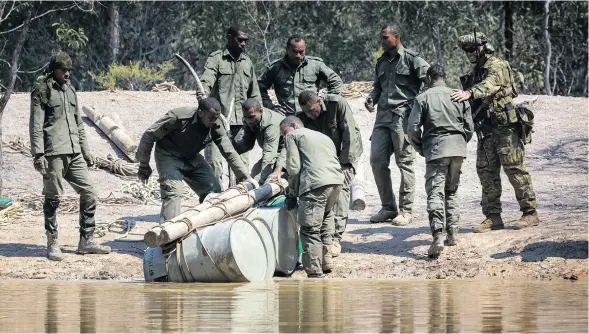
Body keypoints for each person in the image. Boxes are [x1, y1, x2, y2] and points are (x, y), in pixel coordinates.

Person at [451, 32, 539, 232]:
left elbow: (489, 85)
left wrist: (470, 93)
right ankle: (493, 217)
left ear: (482, 47)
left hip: (505, 128)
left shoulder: (496, 65)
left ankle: (529, 212)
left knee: (514, 168)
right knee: (486, 171)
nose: (469, 54)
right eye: (466, 51)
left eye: (472, 49)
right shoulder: (477, 70)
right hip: (486, 128)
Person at [29, 51, 111, 261]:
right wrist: (38, 154)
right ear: (54, 69)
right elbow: (36, 125)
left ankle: (86, 240)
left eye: (69, 70)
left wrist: (86, 151)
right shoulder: (42, 90)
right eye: (63, 70)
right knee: (53, 198)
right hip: (53, 153)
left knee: (90, 193)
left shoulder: (71, 91)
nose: (66, 74)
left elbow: (78, 124)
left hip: (74, 152)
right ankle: (53, 242)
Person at [135, 97, 257, 222]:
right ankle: (168, 233)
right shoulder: (178, 117)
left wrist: (245, 176)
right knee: (173, 193)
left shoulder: (216, 124)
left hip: (191, 157)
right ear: (200, 113)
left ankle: (208, 224)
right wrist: (144, 164)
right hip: (168, 156)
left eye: (216, 117)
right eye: (211, 118)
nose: (214, 121)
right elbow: (149, 135)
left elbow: (229, 152)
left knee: (214, 190)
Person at [365, 23, 430, 225]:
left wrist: (420, 105)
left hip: (403, 117)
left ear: (396, 37)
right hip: (382, 117)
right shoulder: (381, 62)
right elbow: (378, 86)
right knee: (377, 160)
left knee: (405, 163)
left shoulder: (412, 59)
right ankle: (388, 208)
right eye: (381, 37)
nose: (382, 41)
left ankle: (406, 210)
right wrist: (371, 98)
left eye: (385, 37)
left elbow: (432, 79)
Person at [407, 64, 474, 258]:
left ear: (429, 79)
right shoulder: (459, 96)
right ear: (445, 77)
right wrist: (460, 143)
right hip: (458, 149)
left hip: (436, 150)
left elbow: (412, 129)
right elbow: (469, 127)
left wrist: (421, 147)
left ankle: (437, 235)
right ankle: (452, 234)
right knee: (451, 191)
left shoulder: (422, 98)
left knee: (435, 194)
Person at [297, 90, 363, 257]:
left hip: (345, 152)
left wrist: (347, 165)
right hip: (324, 157)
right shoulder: (303, 117)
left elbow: (350, 135)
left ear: (319, 101)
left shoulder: (336, 104)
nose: (310, 115)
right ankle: (323, 235)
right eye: (306, 113)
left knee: (341, 190)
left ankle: (335, 239)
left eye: (312, 110)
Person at [280, 116, 344, 278]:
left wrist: (291, 193)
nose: (283, 136)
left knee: (309, 229)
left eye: (284, 131)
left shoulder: (292, 136)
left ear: (294, 125)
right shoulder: (323, 136)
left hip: (314, 184)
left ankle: (314, 271)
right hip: (336, 182)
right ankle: (326, 260)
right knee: (325, 218)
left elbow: (293, 168)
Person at [199, 26, 261, 189]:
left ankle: (239, 203)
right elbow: (207, 79)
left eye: (245, 41)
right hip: (217, 122)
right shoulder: (216, 59)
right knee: (215, 165)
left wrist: (257, 119)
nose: (243, 44)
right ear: (229, 37)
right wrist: (203, 92)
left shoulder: (247, 62)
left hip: (242, 125)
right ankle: (215, 202)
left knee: (241, 168)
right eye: (239, 40)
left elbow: (254, 93)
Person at [258, 35, 343, 115]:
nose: (298, 55)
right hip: (287, 116)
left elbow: (336, 81)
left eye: (301, 52)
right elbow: (260, 87)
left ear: (305, 49)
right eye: (294, 52)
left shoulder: (315, 64)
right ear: (287, 49)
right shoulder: (276, 68)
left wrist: (325, 101)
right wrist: (271, 107)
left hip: (312, 115)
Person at [232, 98, 285, 184]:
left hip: (285, 154)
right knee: (253, 176)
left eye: (251, 117)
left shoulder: (271, 125)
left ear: (261, 111)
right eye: (245, 117)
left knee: (263, 180)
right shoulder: (251, 119)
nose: (249, 120)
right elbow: (247, 144)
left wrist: (261, 180)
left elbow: (270, 154)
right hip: (272, 153)